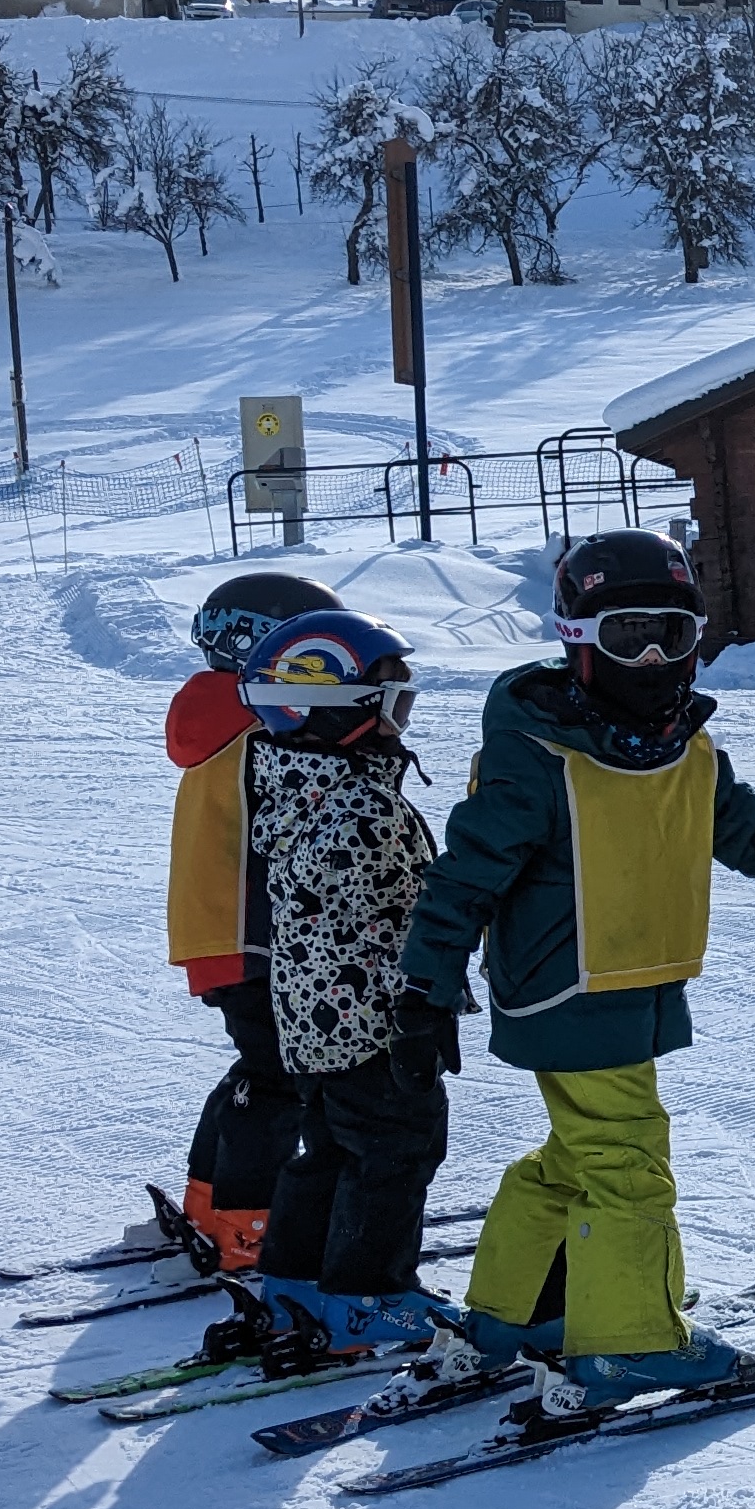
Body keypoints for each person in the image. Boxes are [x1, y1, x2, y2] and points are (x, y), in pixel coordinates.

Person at [396, 530, 755, 1415]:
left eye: (670, 635)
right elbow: (464, 877)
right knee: (628, 1166)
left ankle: (506, 1317)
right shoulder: (540, 756)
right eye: (624, 635)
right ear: (575, 639)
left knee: (576, 1158)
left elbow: (740, 822)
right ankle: (632, 1343)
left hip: (631, 985)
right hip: (566, 989)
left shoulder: (679, 745)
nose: (650, 660)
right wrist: (425, 989)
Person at [234, 609, 454, 1359]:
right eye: (392, 700)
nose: (403, 717)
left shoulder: (298, 783)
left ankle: (295, 1280)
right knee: (396, 1150)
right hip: (373, 1018)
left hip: (313, 1015)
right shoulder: (363, 805)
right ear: (329, 709)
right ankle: (368, 1295)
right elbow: (416, 911)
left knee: (329, 1146)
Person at [159, 570, 336, 1269]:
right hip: (254, 931)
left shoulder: (215, 712)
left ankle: (211, 1200)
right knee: (279, 1076)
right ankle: (245, 1221)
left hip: (220, 928)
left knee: (263, 1066)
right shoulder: (266, 723)